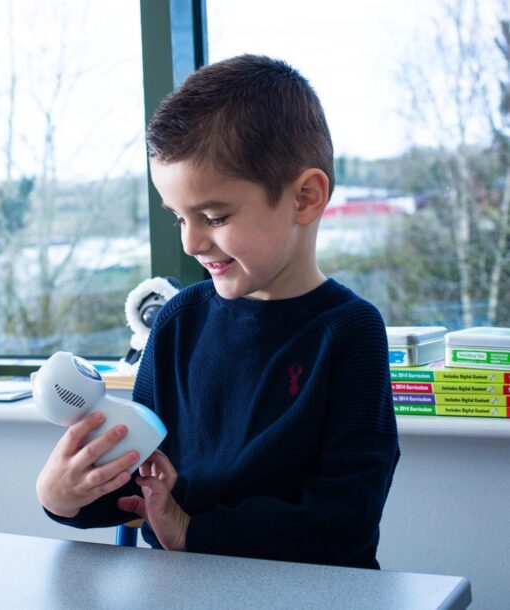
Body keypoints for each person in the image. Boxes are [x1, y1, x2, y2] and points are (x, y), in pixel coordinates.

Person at [36, 54, 400, 568]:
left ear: (306, 197)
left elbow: (345, 518)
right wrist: (63, 497)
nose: (190, 242)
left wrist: (191, 531)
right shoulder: (179, 321)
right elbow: (137, 485)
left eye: (213, 216)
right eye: (177, 218)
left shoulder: (349, 333)